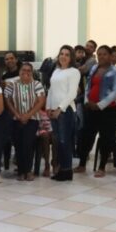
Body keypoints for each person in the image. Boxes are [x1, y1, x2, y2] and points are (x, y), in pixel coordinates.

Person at [75, 46, 116, 178]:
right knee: (86, 136)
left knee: (106, 138)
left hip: (109, 110)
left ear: (110, 56)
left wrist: (100, 105)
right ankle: (82, 164)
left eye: (105, 54)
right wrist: (86, 101)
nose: (102, 57)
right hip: (91, 108)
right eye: (99, 54)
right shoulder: (94, 69)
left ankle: (102, 167)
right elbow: (88, 86)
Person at [4, 63, 46, 181]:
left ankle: (28, 170)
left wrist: (27, 115)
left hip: (32, 119)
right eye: (23, 70)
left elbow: (40, 101)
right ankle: (21, 171)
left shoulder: (37, 84)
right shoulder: (12, 84)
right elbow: (8, 100)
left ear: (32, 72)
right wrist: (17, 115)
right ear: (19, 71)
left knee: (28, 144)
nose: (25, 72)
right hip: (15, 119)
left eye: (28, 70)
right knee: (18, 145)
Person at [46, 45, 80, 181]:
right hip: (54, 110)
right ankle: (62, 169)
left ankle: (67, 171)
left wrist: (60, 108)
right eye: (62, 54)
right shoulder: (56, 71)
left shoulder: (74, 72)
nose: (63, 57)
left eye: (67, 54)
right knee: (58, 142)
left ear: (71, 57)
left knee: (64, 141)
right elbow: (51, 91)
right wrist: (48, 107)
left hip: (65, 111)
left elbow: (72, 93)